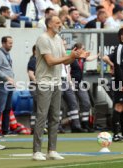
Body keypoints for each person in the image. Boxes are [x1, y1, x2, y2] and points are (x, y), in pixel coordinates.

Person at [32, 15, 88, 161]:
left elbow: (66, 61)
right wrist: (71, 56)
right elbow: (50, 61)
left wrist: (76, 56)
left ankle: (52, 150)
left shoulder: (58, 39)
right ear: (49, 24)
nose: (60, 24)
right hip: (44, 82)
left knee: (55, 117)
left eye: (60, 22)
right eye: (57, 22)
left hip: (57, 82)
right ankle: (37, 151)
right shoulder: (43, 39)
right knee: (42, 116)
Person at [70, 43, 97, 133]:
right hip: (72, 83)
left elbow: (89, 58)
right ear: (76, 49)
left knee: (86, 102)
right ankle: (74, 125)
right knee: (73, 104)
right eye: (83, 48)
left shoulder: (82, 59)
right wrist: (70, 83)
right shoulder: (71, 59)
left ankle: (85, 123)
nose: (84, 50)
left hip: (80, 82)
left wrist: (97, 55)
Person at [0, 36, 15, 136]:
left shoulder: (7, 54)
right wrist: (7, 78)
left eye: (12, 43)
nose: (11, 45)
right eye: (9, 43)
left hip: (9, 85)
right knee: (0, 108)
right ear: (3, 43)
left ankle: (5, 129)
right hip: (2, 84)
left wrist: (12, 80)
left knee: (8, 108)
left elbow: (7, 69)